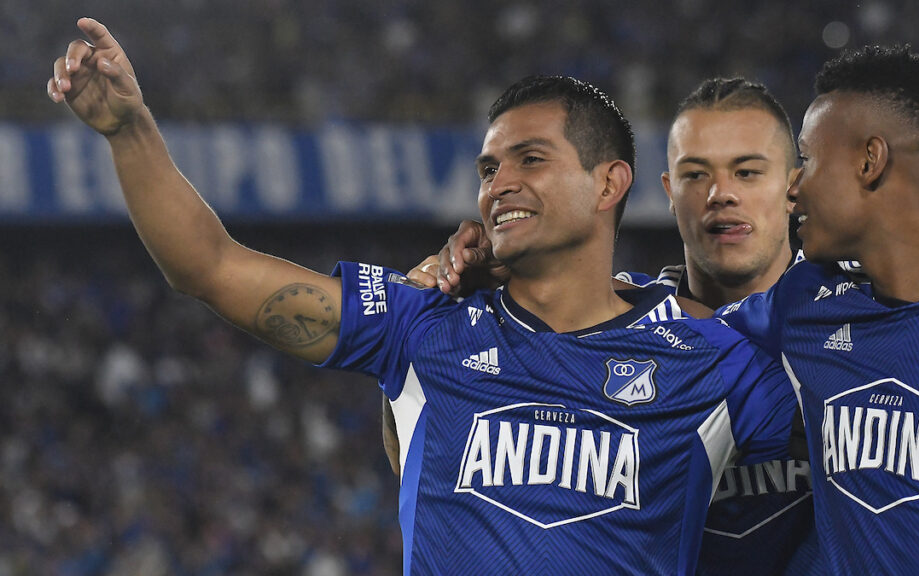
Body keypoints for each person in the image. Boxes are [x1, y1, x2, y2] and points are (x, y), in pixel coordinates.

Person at [50, 18, 800, 575]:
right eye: (489, 166)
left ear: (608, 183)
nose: (498, 183)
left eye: (530, 159)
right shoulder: (424, 323)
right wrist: (128, 130)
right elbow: (208, 266)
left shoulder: (712, 362)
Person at [402, 76, 919, 574]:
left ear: (793, 187)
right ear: (666, 191)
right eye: (696, 175)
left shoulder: (861, 314)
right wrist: (449, 293)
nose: (719, 194)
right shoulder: (615, 333)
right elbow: (421, 446)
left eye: (748, 172)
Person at [719, 45, 919, 574]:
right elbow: (661, 331)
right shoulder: (805, 305)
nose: (792, 186)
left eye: (807, 159)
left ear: (869, 160)